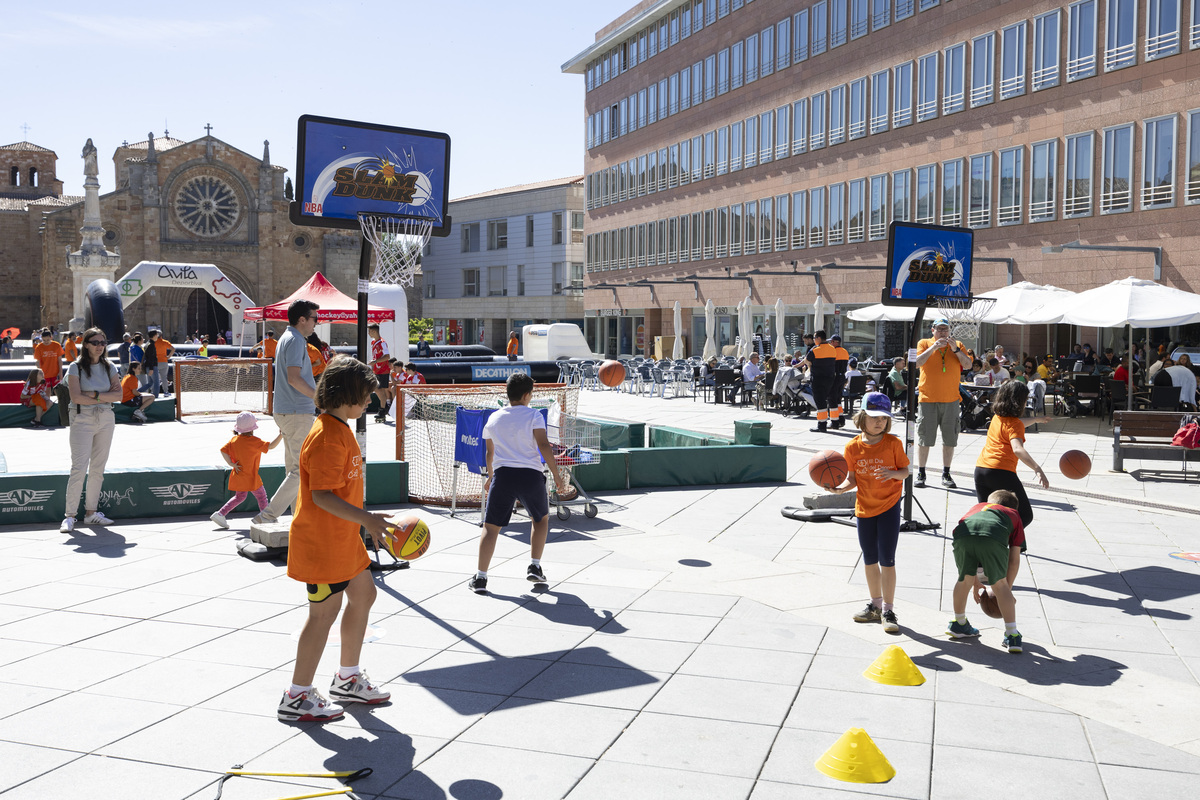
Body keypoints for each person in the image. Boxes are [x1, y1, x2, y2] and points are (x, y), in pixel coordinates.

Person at [278, 356, 392, 722]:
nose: (369, 403)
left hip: (343, 539)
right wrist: (369, 521)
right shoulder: (327, 435)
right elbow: (322, 496)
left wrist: (362, 526)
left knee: (364, 594)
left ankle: (347, 678)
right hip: (322, 544)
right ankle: (296, 696)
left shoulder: (338, 426)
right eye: (365, 397)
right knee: (322, 615)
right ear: (348, 396)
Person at [469, 372, 569, 595]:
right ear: (526, 395)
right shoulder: (534, 416)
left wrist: (491, 477)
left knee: (491, 527)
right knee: (540, 519)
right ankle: (534, 564)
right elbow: (543, 446)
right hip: (530, 476)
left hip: (503, 476)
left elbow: (490, 453)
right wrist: (557, 475)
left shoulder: (494, 418)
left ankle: (481, 578)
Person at [829, 392, 911, 633]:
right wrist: (838, 489)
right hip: (864, 509)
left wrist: (893, 474)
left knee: (888, 559)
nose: (880, 422)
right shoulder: (852, 447)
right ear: (862, 417)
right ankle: (874, 606)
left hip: (889, 508)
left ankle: (888, 609)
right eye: (875, 417)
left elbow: (905, 471)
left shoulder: (893, 443)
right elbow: (852, 479)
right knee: (869, 559)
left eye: (884, 419)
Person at [255, 300, 319, 525]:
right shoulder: (295, 341)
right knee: (301, 471)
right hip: (296, 412)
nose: (316, 324)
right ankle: (267, 515)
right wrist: (318, 397)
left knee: (294, 469)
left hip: (287, 411)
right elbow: (294, 378)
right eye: (314, 319)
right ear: (302, 319)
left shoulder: (287, 338)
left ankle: (297, 519)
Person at [947, 489, 1028, 654]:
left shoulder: (978, 507)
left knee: (963, 580)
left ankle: (959, 622)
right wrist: (1007, 589)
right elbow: (1014, 560)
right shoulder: (1013, 514)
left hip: (962, 534)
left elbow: (974, 537)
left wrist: (974, 580)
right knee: (999, 584)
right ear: (1013, 507)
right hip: (992, 536)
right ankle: (1012, 635)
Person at [61, 328, 122, 533]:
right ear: (85, 344)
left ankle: (91, 513)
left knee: (98, 467)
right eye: (95, 342)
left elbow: (119, 395)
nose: (99, 346)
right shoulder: (75, 367)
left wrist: (95, 394)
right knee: (78, 467)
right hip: (82, 417)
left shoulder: (109, 366)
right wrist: (104, 395)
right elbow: (76, 397)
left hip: (105, 417)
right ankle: (70, 516)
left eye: (103, 342)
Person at [974, 380, 1049, 535]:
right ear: (1019, 402)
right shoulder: (1015, 425)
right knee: (1025, 515)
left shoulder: (997, 417)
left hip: (981, 470)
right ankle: (1005, 542)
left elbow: (1016, 424)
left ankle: (989, 548)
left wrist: (1036, 419)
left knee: (988, 515)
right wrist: (1037, 469)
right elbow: (1017, 449)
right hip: (1001, 472)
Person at [913, 318, 971, 488]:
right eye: (939, 329)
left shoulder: (958, 344)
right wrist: (934, 347)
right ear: (933, 330)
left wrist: (955, 350)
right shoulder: (924, 343)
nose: (943, 333)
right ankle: (921, 472)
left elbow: (967, 365)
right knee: (924, 438)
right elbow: (917, 363)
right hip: (927, 399)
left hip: (951, 400)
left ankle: (946, 473)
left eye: (945, 330)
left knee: (950, 439)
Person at [211, 411, 284, 529]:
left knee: (240, 497)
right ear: (252, 428)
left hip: (239, 475)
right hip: (251, 477)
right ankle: (265, 517)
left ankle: (220, 514)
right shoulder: (254, 441)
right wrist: (281, 435)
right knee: (261, 497)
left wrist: (231, 464)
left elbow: (223, 450)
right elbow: (271, 446)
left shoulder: (234, 440)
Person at [805, 330, 839, 432]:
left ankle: (822, 425)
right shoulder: (832, 349)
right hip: (830, 378)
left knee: (820, 401)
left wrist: (811, 366)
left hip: (818, 378)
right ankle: (834, 422)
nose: (814, 340)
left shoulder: (815, 350)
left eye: (815, 338)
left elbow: (807, 360)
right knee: (828, 399)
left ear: (819, 338)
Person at [368, 323, 391, 423]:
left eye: (369, 331)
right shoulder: (373, 342)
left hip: (383, 370)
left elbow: (387, 356)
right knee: (377, 389)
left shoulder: (382, 343)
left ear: (374, 331)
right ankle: (383, 408)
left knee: (378, 389)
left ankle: (382, 409)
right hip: (376, 369)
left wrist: (376, 362)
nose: (369, 333)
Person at [828, 334, 850, 428]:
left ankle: (834, 422)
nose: (830, 343)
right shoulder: (845, 351)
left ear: (834, 342)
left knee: (832, 399)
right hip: (842, 377)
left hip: (835, 377)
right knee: (838, 400)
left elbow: (831, 365)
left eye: (831, 341)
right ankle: (841, 419)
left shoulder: (833, 351)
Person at [147, 330, 173, 396]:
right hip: (164, 361)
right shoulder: (165, 342)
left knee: (154, 378)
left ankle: (153, 391)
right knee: (164, 377)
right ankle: (166, 392)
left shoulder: (152, 343)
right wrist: (168, 356)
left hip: (155, 362)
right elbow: (173, 349)